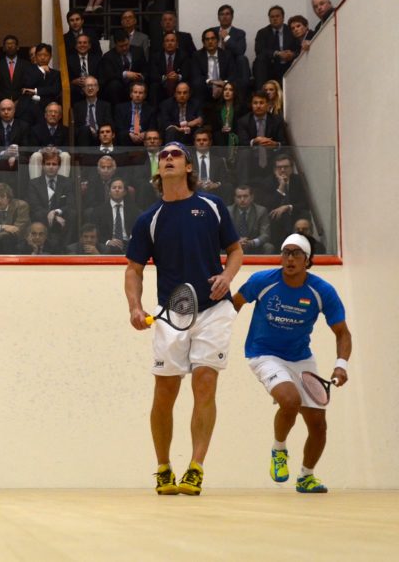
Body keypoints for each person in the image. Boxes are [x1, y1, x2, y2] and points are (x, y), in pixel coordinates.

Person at [125, 141, 243, 496]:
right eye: (163, 157)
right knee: (165, 392)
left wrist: (227, 277)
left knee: (205, 383)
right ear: (157, 171)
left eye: (175, 155)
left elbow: (235, 251)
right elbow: (134, 270)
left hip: (213, 309)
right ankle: (163, 467)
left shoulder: (212, 206)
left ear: (189, 167)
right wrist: (134, 306)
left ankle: (196, 467)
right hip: (169, 313)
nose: (169, 159)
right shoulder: (149, 219)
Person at [231, 233, 351, 493]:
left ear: (307, 261)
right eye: (286, 252)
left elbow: (342, 332)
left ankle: (306, 477)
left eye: (297, 253)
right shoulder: (262, 281)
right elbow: (233, 306)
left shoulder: (322, 292)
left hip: (301, 357)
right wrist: (214, 335)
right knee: (290, 400)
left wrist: (341, 364)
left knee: (318, 424)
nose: (290, 258)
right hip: (263, 353)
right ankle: (279, 449)